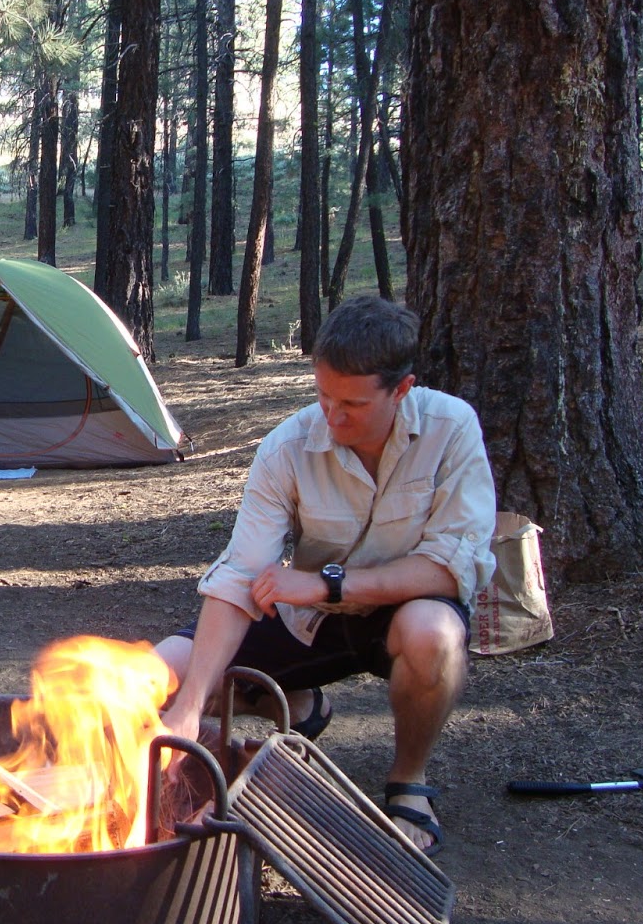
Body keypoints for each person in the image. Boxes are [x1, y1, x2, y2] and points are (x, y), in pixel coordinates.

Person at [157, 295, 495, 856]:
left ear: (402, 389)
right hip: (310, 622)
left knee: (433, 634)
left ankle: (409, 781)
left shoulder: (451, 429)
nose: (333, 418)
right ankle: (291, 702)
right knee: (165, 667)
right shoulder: (288, 447)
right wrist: (190, 704)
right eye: (323, 396)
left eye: (353, 405)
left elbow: (450, 567)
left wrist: (326, 584)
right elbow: (239, 573)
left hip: (404, 613)